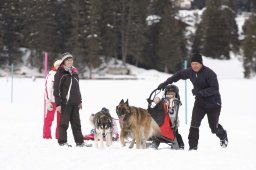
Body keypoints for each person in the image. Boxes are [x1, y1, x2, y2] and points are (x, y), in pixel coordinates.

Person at [157, 53, 228, 151]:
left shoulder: (210, 73)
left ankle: (223, 135)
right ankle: (193, 147)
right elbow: (178, 75)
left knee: (214, 128)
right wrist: (165, 83)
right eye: (193, 63)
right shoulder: (190, 72)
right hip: (200, 103)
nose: (194, 66)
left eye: (196, 64)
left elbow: (214, 89)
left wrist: (199, 92)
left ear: (201, 63)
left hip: (213, 104)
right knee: (194, 124)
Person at [54, 52, 92, 147]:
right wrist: (58, 104)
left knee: (77, 124)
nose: (70, 62)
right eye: (68, 60)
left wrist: (80, 101)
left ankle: (80, 142)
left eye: (71, 60)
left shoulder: (74, 73)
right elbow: (56, 90)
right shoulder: (60, 73)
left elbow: (77, 88)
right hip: (65, 103)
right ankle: (62, 142)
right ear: (64, 62)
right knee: (64, 124)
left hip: (75, 103)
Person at [151, 84, 184, 150]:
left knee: (176, 134)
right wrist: (157, 101)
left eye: (172, 94)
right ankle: (154, 143)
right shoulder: (163, 101)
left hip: (172, 123)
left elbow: (176, 104)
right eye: (168, 93)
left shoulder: (175, 102)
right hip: (161, 122)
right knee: (156, 134)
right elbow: (159, 103)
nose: (170, 95)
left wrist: (171, 102)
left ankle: (180, 145)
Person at [43, 59, 62, 139]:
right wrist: (48, 101)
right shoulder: (51, 75)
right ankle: (47, 136)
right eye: (58, 65)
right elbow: (48, 88)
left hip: (61, 102)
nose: (59, 67)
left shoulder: (64, 75)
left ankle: (59, 136)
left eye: (61, 65)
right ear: (55, 66)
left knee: (60, 121)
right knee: (49, 119)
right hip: (52, 101)